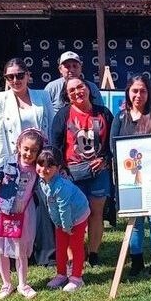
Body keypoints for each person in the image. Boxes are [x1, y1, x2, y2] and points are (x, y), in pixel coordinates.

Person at [0, 57, 55, 266]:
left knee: (44, 205)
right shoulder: (0, 99)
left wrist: (50, 159)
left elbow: (51, 126)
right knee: (14, 206)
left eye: (20, 75)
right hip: (15, 163)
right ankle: (12, 253)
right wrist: (2, 169)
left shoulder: (42, 95)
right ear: (6, 79)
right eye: (11, 76)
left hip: (40, 160)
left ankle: (46, 253)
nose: (16, 80)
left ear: (28, 75)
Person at [50, 77, 114, 268]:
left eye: (80, 87)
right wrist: (61, 169)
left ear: (88, 88)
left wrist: (105, 159)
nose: (77, 92)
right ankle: (72, 256)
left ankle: (93, 253)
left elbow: (113, 143)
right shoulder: (62, 115)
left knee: (96, 213)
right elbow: (55, 145)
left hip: (98, 172)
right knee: (72, 215)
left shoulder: (103, 113)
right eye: (72, 90)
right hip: (71, 174)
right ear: (67, 96)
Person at [110, 75, 151, 276]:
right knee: (135, 221)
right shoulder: (120, 117)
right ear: (128, 92)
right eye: (134, 90)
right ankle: (136, 261)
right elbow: (113, 146)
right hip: (130, 179)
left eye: (142, 91)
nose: (138, 95)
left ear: (148, 93)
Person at [0, 128, 45, 300]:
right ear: (18, 146)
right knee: (1, 249)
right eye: (26, 148)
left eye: (33, 150)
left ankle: (23, 284)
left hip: (23, 212)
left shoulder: (37, 169)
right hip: (1, 210)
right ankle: (6, 284)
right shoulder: (8, 163)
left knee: (21, 250)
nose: (29, 153)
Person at [37, 148, 90, 293]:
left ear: (58, 168)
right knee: (60, 246)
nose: (44, 169)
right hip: (62, 220)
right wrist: (58, 224)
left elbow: (63, 208)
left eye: (49, 166)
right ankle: (61, 274)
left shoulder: (62, 186)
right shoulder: (43, 181)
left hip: (77, 216)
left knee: (75, 246)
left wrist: (66, 227)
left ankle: (76, 278)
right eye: (40, 165)